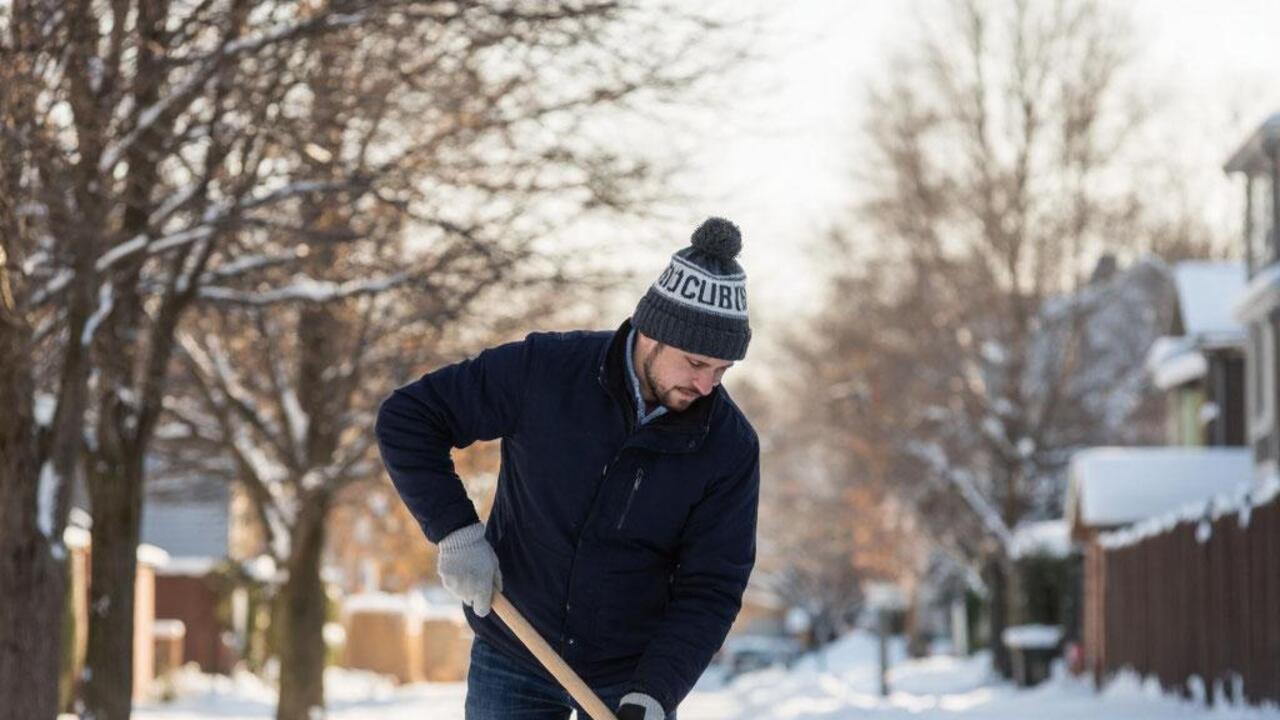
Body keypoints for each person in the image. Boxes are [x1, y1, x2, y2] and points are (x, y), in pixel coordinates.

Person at [375, 217, 760, 720]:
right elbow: (409, 417)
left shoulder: (727, 447)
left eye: (721, 371)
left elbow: (712, 587)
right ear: (654, 333)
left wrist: (656, 691)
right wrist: (456, 532)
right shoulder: (547, 371)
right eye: (695, 363)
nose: (707, 386)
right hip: (516, 648)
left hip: (629, 674)